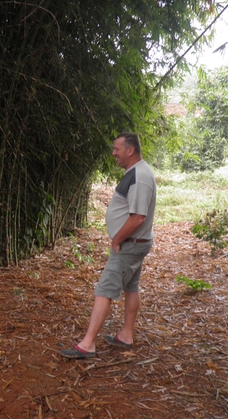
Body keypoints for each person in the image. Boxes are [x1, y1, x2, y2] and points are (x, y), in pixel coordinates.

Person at [60, 132, 156, 359]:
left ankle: (87, 344)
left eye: (117, 149)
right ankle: (126, 335)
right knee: (131, 286)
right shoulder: (136, 172)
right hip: (135, 243)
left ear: (130, 150)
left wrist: (116, 239)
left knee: (104, 290)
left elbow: (138, 217)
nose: (113, 153)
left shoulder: (140, 176)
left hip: (129, 245)